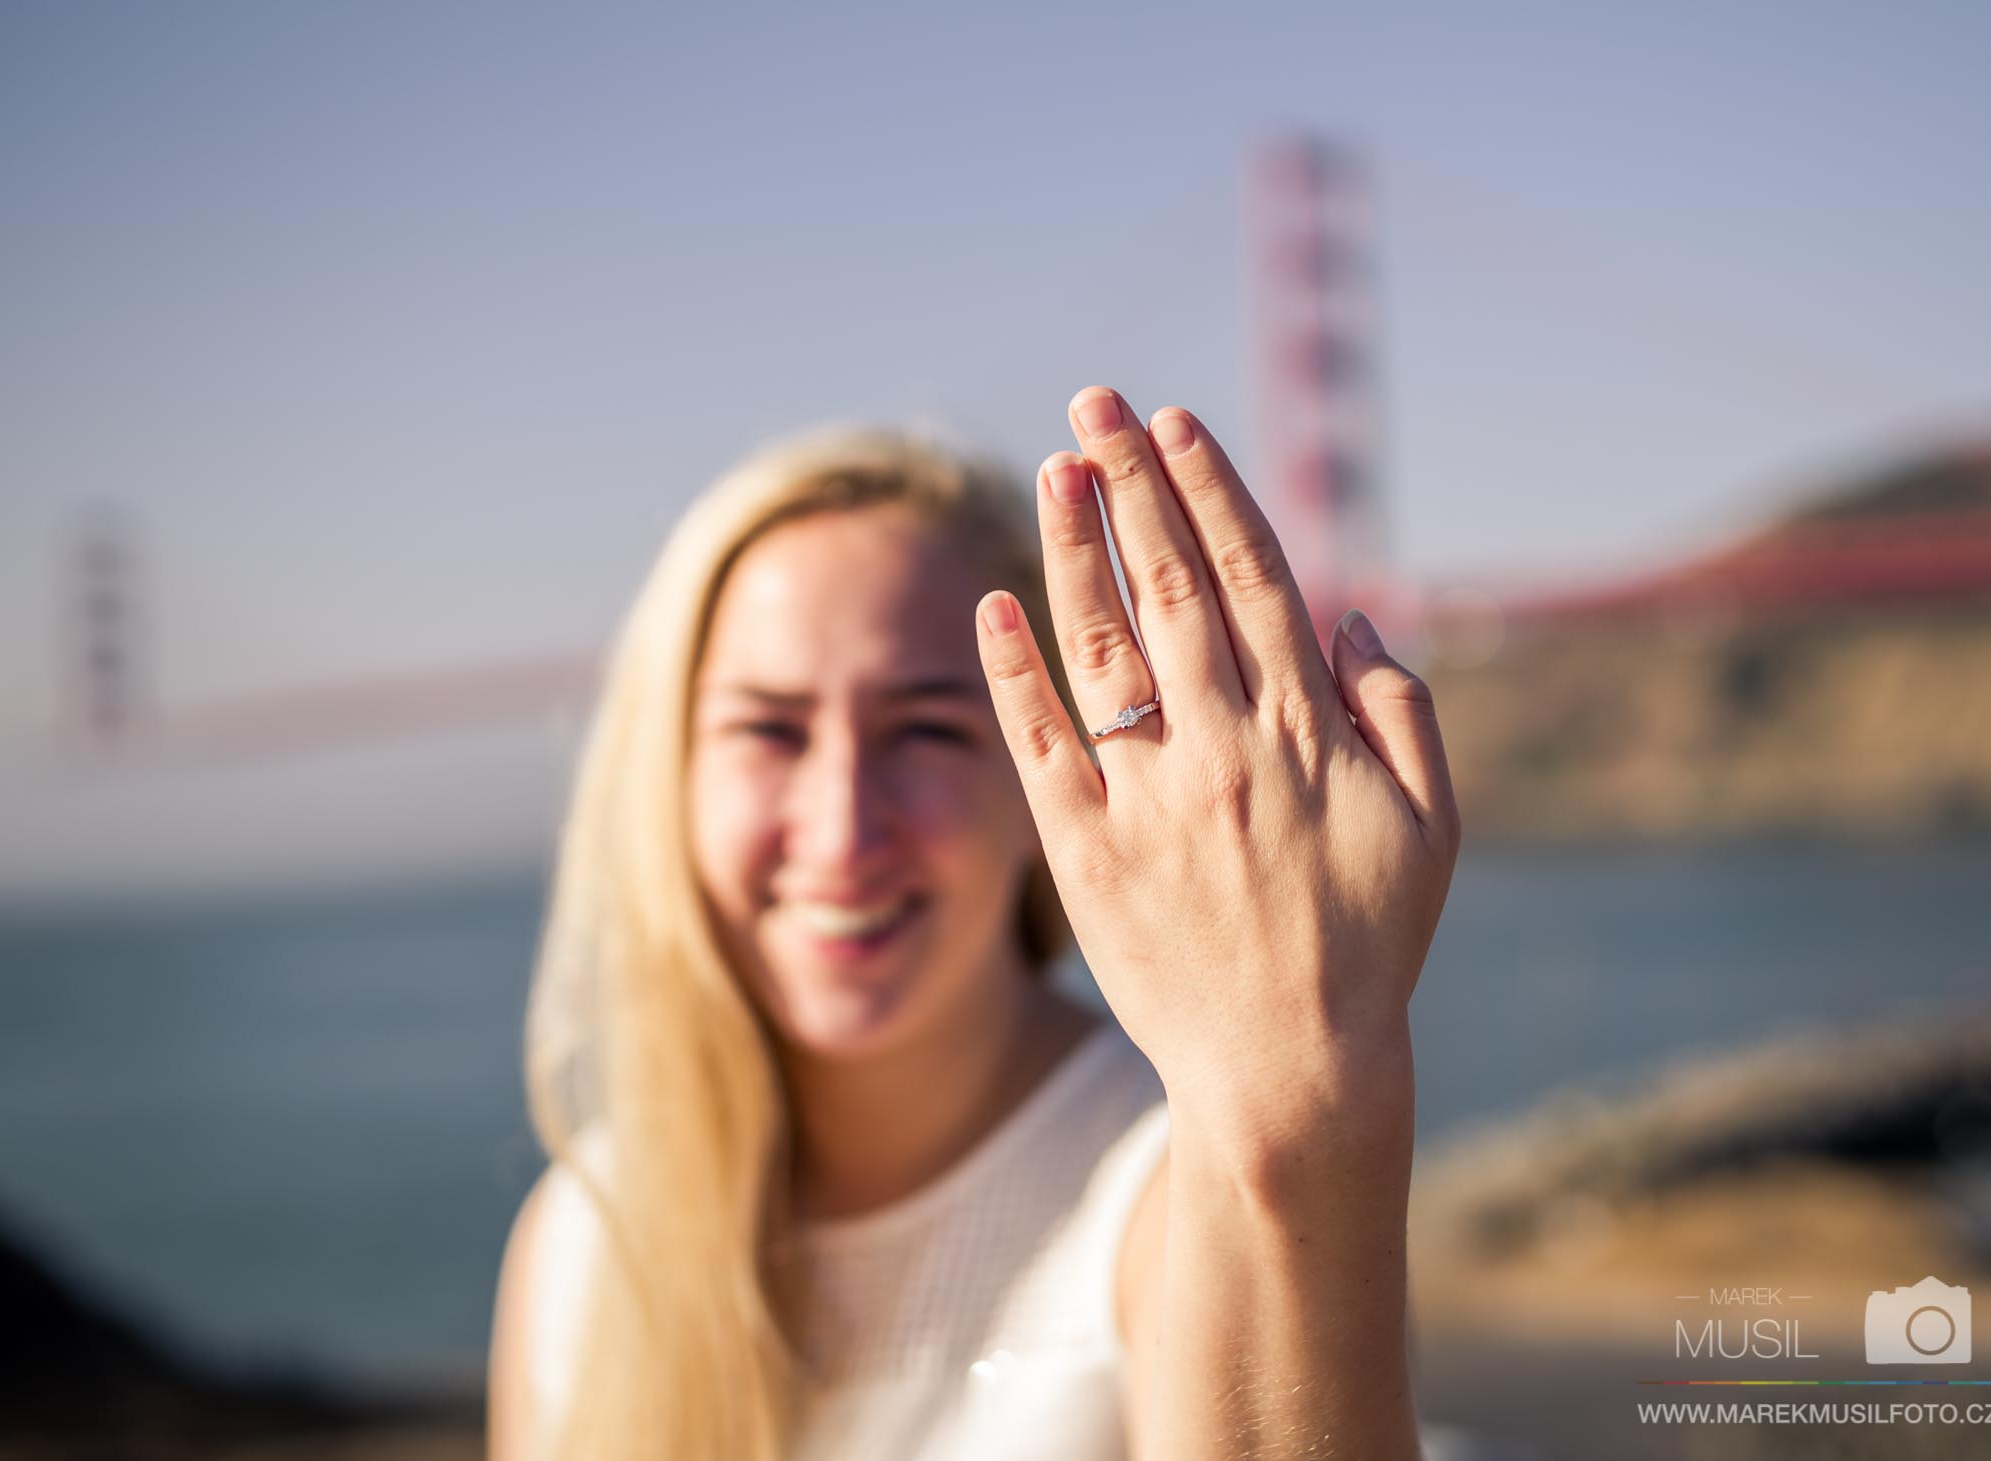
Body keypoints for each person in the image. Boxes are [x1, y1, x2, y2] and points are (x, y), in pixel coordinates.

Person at [488, 387, 1461, 1461]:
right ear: (664, 777)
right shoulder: (582, 1237)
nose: (842, 827)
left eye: (927, 731)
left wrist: (1297, 1093)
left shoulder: (1168, 1199)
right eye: (767, 730)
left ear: (1044, 785)